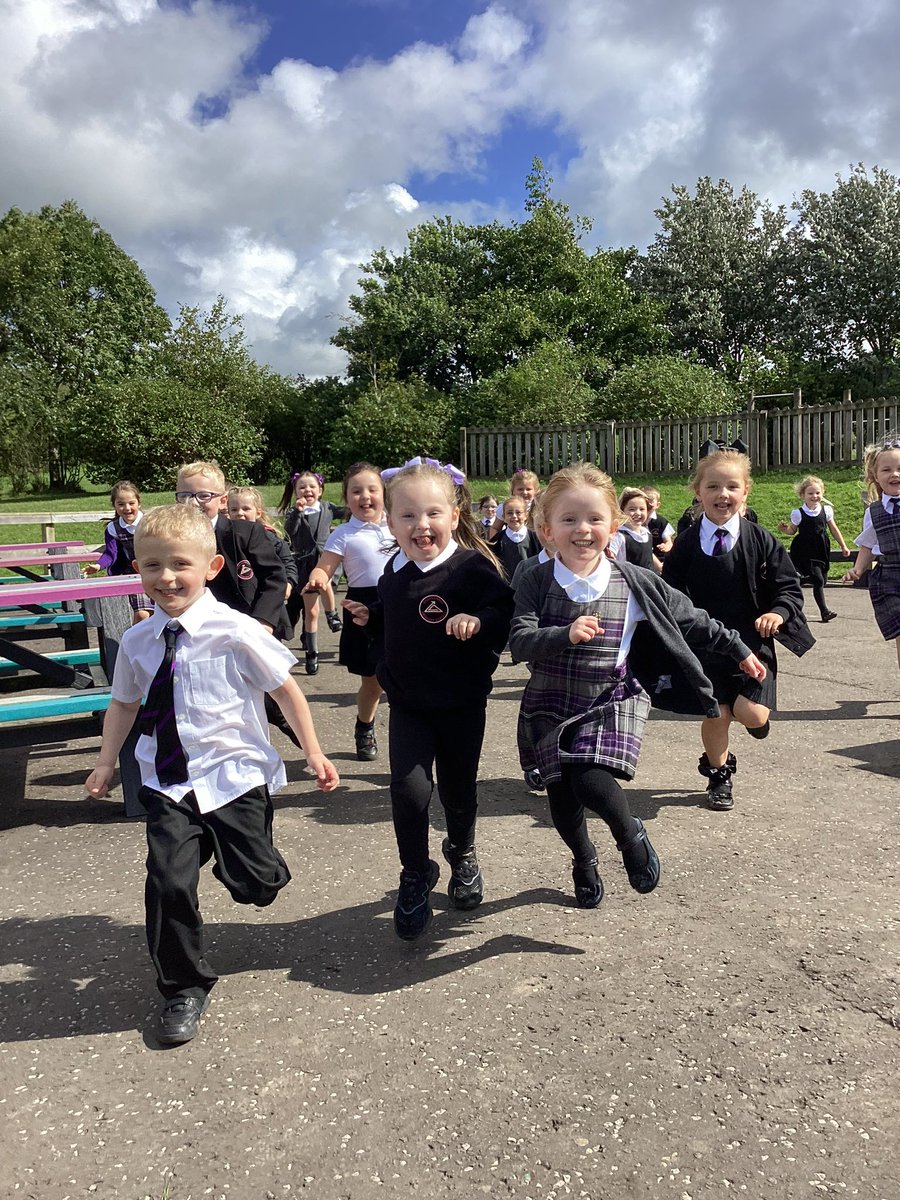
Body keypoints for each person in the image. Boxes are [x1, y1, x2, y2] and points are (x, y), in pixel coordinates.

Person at [84, 504, 339, 1045]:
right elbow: (124, 705)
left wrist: (313, 752)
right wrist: (107, 762)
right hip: (168, 780)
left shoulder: (235, 631)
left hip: (234, 775)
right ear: (137, 567)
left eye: (179, 564)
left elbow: (283, 690)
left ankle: (244, 862)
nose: (166, 577)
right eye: (151, 566)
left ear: (212, 567)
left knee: (259, 884)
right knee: (168, 881)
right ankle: (182, 987)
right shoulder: (137, 642)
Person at [510, 462, 766, 908]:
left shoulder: (636, 582)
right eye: (569, 520)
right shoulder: (535, 579)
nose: (582, 529)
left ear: (613, 525)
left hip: (612, 697)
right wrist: (563, 634)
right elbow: (519, 640)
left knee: (589, 780)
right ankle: (583, 860)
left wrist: (739, 649)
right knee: (562, 802)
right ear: (548, 529)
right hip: (551, 700)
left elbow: (693, 620)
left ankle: (629, 835)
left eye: (594, 519)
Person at [343, 461, 514, 940]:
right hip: (410, 703)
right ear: (391, 523)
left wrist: (478, 621)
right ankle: (415, 872)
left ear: (454, 516)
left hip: (460, 703)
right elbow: (398, 618)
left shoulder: (471, 567)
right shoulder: (393, 570)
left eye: (433, 514)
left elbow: (503, 609)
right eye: (408, 516)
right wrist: (369, 615)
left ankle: (461, 853)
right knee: (409, 791)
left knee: (458, 790)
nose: (422, 526)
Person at [663, 448, 814, 811]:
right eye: (713, 486)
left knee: (751, 714)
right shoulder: (685, 544)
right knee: (717, 714)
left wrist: (778, 613)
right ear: (698, 492)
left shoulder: (762, 540)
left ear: (746, 491)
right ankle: (719, 776)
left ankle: (756, 722)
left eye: (732, 486)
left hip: (752, 643)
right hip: (704, 646)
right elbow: (670, 595)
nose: (722, 494)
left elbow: (788, 588)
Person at [305, 462, 391, 761]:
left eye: (372, 489)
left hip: (399, 604)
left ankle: (413, 733)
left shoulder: (399, 524)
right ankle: (365, 726)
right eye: (356, 491)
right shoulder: (344, 533)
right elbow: (325, 566)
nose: (364, 496)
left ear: (384, 493)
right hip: (363, 607)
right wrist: (318, 577)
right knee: (373, 680)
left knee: (408, 672)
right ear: (346, 498)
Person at [277, 471, 346, 674]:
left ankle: (332, 615)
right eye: (302, 487)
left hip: (325, 562)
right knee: (311, 611)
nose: (307, 490)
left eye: (312, 487)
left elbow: (348, 511)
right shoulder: (294, 512)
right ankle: (312, 653)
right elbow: (289, 531)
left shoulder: (327, 508)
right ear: (296, 492)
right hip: (304, 565)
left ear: (320, 490)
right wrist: (297, 512)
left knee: (324, 584)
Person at [842, 438, 900, 669]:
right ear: (875, 476)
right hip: (889, 579)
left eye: (899, 469)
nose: (894, 474)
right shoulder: (874, 512)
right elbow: (867, 545)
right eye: (887, 469)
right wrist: (857, 569)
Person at [226, 486, 298, 642]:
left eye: (246, 508)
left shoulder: (270, 538)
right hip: (239, 604)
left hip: (267, 605)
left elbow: (288, 564)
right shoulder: (225, 539)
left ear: (258, 512)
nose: (240, 513)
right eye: (234, 509)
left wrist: (288, 582)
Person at [778, 475, 850, 622]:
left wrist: (843, 545)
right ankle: (825, 612)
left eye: (817, 493)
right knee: (817, 580)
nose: (814, 496)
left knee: (822, 579)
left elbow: (834, 529)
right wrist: (784, 529)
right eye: (810, 493)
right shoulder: (798, 513)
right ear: (803, 495)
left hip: (821, 548)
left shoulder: (827, 511)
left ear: (822, 493)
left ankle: (799, 580)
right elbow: (792, 531)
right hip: (804, 549)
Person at [87, 480, 153, 622]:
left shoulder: (151, 522)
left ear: (138, 503)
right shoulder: (113, 528)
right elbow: (111, 553)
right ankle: (133, 642)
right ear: (115, 506)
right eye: (121, 504)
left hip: (155, 570)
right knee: (143, 614)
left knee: (159, 613)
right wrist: (98, 566)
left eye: (131, 503)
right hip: (133, 573)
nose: (127, 508)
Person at [489, 494, 541, 579]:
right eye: (509, 513)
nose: (514, 516)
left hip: (531, 584)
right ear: (504, 517)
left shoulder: (535, 537)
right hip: (506, 586)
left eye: (518, 512)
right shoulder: (497, 540)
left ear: (526, 516)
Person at [489, 468, 542, 535]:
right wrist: (495, 543)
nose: (525, 492)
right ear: (513, 491)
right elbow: (495, 528)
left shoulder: (539, 507)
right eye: (520, 489)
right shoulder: (506, 507)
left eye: (528, 489)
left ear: (536, 491)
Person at [617, 487, 657, 570]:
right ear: (622, 511)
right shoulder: (619, 536)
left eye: (642, 509)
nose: (638, 513)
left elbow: (648, 556)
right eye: (632, 509)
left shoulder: (647, 533)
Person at [643, 486, 675, 560]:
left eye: (650, 500)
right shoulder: (635, 520)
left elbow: (668, 542)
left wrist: (666, 546)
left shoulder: (661, 522)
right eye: (644, 500)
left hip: (659, 557)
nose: (647, 503)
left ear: (657, 505)